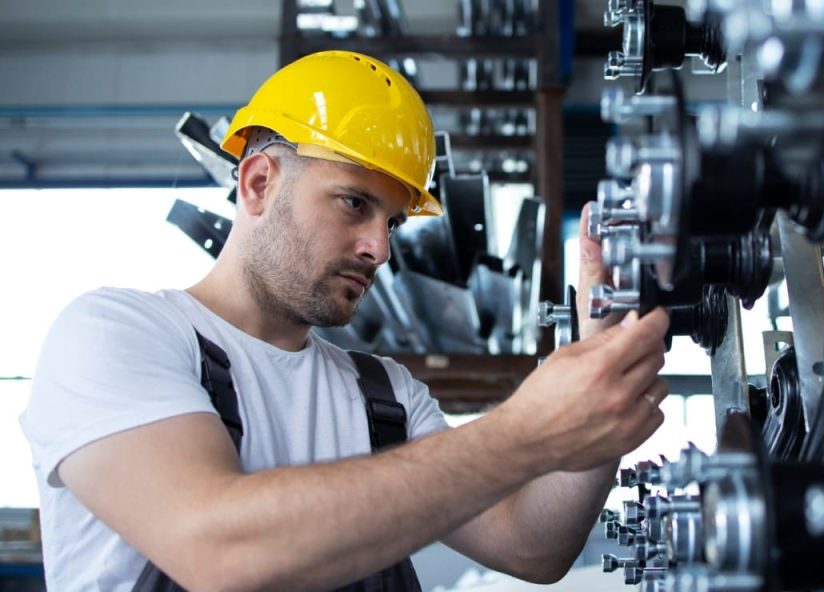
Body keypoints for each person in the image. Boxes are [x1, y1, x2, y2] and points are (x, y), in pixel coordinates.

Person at [20, 51, 669, 591]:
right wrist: (524, 431)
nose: (380, 249)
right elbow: (216, 551)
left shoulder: (382, 396)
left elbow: (533, 548)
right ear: (257, 184)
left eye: (390, 221)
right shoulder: (115, 334)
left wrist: (600, 378)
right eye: (353, 203)